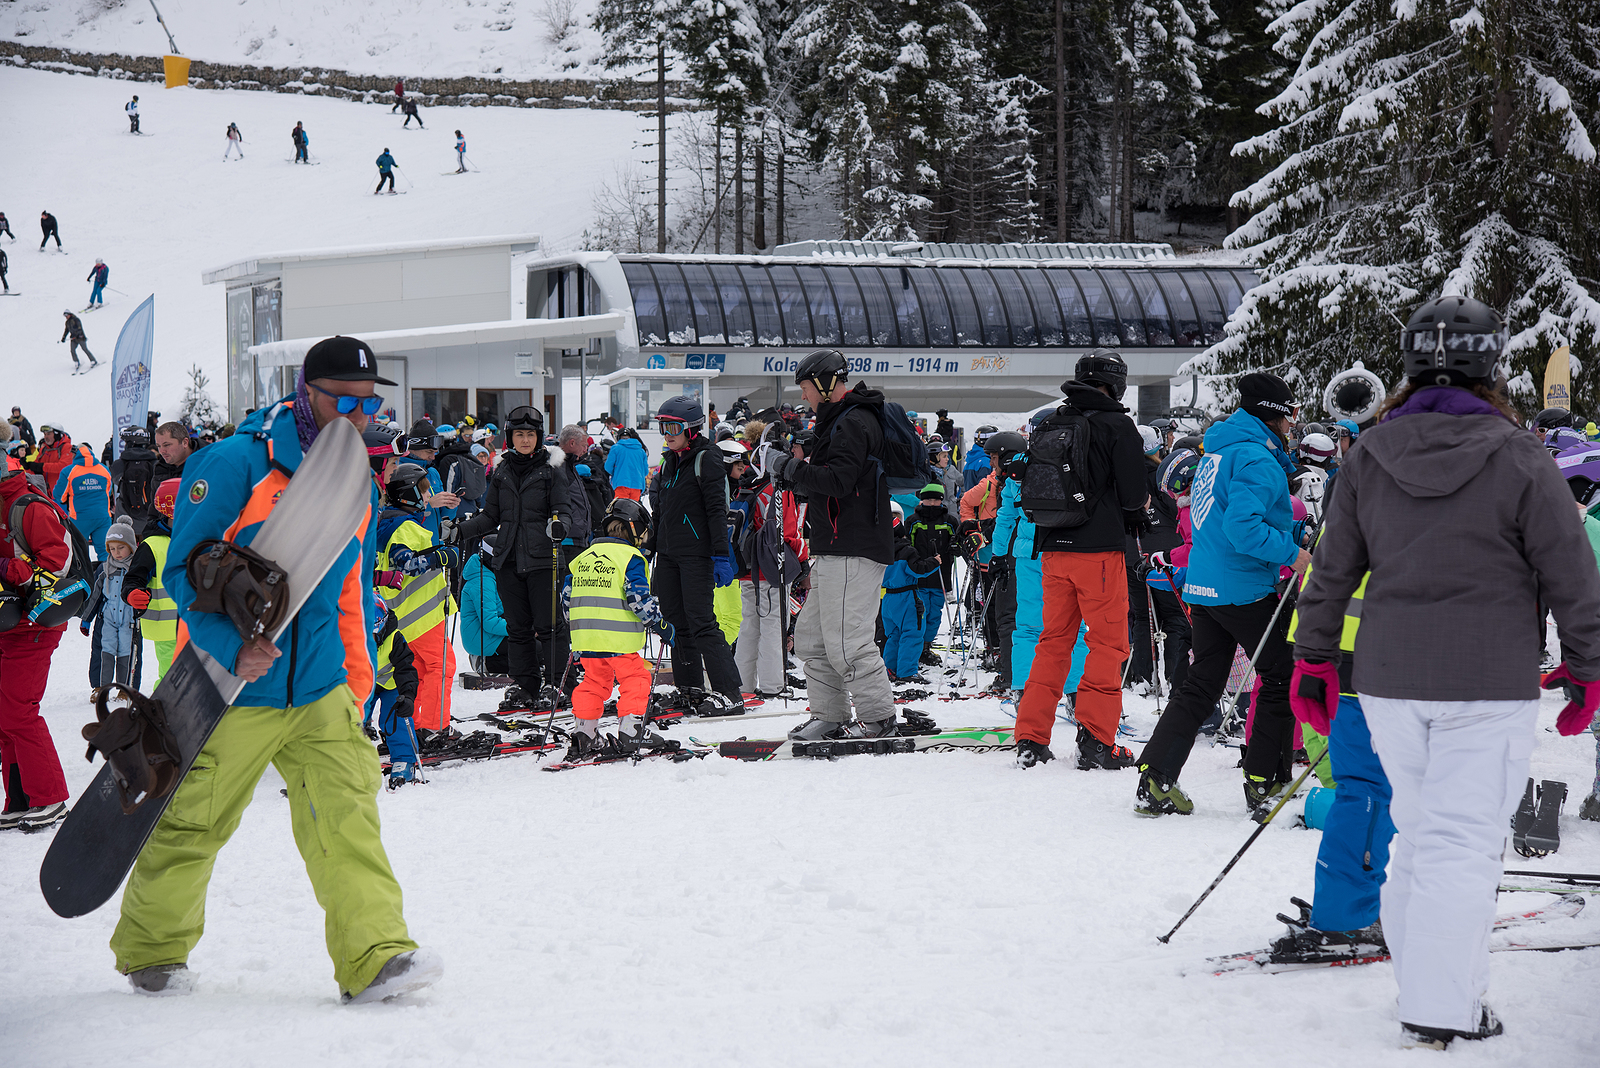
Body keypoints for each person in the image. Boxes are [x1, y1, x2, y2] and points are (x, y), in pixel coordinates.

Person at [1293, 296, 1600, 1048]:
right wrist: (1588, 666)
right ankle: (1440, 1006)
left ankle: (1434, 989)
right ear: (1491, 366)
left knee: (1426, 832)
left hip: (1392, 680)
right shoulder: (1520, 454)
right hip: (1486, 680)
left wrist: (1312, 659)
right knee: (1460, 844)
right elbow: (1572, 572)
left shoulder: (1367, 453)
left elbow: (1331, 570)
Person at [112, 333, 439, 1003]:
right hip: (232, 689)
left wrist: (355, 683)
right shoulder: (233, 465)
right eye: (341, 401)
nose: (355, 416)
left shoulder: (358, 485)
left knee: (347, 817)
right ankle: (152, 951)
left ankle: (375, 955)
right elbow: (182, 570)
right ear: (304, 393)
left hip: (318, 689)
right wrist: (235, 650)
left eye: (367, 403)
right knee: (196, 822)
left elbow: (348, 592)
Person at [1135, 372, 1311, 815]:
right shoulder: (1256, 459)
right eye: (1289, 414)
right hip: (1243, 588)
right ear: (1272, 415)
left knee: (1202, 683)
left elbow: (1221, 518)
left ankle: (1156, 778)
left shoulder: (1219, 452)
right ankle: (1264, 781)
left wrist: (1294, 531)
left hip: (1206, 585)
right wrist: (1294, 552)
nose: (1293, 423)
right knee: (1281, 675)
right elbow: (1242, 528)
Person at [1011, 351, 1148, 770]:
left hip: (1052, 548)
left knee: (1053, 642)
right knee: (1107, 645)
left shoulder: (1052, 421)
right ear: (1116, 384)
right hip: (1099, 553)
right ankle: (1096, 742)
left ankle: (1031, 739)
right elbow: (1132, 496)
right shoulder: (1118, 425)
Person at [760, 349, 898, 739]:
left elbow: (839, 481)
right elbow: (833, 484)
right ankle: (831, 715)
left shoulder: (853, 421)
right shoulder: (838, 421)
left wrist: (787, 468)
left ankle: (878, 717)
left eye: (805, 388)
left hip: (854, 547)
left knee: (847, 641)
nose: (803, 397)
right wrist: (796, 473)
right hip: (834, 546)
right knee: (812, 640)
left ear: (822, 383)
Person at [456, 405, 571, 708]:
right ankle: (525, 686)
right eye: (519, 434)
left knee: (549, 626)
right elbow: (490, 516)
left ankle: (557, 684)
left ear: (538, 437)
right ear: (510, 436)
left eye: (530, 434)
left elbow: (564, 509)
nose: (524, 440)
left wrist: (559, 524)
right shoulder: (502, 470)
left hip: (543, 559)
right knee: (518, 628)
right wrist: (459, 531)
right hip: (508, 561)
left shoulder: (553, 469)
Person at [646, 396, 744, 716]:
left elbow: (717, 510)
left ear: (691, 428)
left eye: (673, 426)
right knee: (676, 623)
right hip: (670, 554)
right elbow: (660, 511)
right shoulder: (668, 461)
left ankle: (729, 693)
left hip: (697, 555)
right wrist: (651, 548)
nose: (667, 433)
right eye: (663, 426)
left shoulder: (707, 458)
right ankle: (689, 688)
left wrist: (720, 555)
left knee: (702, 622)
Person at [560, 498, 676, 760]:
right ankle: (632, 731)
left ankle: (585, 734)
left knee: (592, 683)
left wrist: (579, 628)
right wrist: (659, 623)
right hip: (618, 639)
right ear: (634, 529)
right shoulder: (631, 559)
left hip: (586, 640)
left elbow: (566, 599)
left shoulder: (581, 559)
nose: (644, 540)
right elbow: (638, 599)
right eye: (644, 534)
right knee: (636, 679)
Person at [0, 461, 74, 830]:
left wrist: (6, 568)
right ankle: (20, 799)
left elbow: (56, 566)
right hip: (6, 624)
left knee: (18, 712)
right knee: (4, 716)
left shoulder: (28, 507)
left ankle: (51, 797)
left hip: (35, 624)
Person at [374, 466, 459, 735]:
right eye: (423, 491)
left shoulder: (388, 523)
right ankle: (435, 728)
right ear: (409, 494)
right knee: (442, 667)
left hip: (405, 616)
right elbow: (407, 563)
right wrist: (441, 557)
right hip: (422, 616)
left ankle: (414, 727)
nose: (428, 496)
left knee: (419, 673)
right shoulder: (405, 527)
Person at [735, 423, 806, 697]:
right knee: (773, 626)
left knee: (750, 626)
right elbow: (788, 532)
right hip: (772, 569)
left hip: (748, 568)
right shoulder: (778, 488)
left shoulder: (748, 483)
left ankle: (743, 684)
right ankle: (773, 685)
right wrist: (801, 557)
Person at [1126, 424, 1191, 697]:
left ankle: (1142, 675)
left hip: (1133, 553)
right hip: (1167, 554)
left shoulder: (1124, 476)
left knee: (1142, 616)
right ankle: (1175, 677)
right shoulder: (1165, 474)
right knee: (1174, 617)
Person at [122, 478, 180, 687]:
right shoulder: (152, 545)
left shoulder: (201, 538)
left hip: (201, 624)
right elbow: (133, 578)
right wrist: (133, 593)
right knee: (172, 677)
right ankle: (167, 714)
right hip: (167, 630)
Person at [365, 594, 422, 789]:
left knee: (395, 717)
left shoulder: (394, 638)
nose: (369, 640)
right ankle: (341, 758)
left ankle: (405, 760)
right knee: (350, 717)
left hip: (391, 684)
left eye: (373, 635)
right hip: (363, 685)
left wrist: (407, 696)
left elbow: (406, 669)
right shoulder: (347, 637)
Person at [880, 503, 940, 681]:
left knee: (893, 635)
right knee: (912, 634)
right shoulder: (907, 551)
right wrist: (934, 562)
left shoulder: (880, 552)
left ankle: (890, 669)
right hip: (907, 597)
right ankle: (907, 672)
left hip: (888, 598)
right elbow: (918, 570)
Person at [81, 516, 141, 689]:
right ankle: (100, 687)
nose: (116, 552)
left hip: (130, 621)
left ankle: (127, 688)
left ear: (131, 546)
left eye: (121, 548)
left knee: (128, 654)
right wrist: (87, 618)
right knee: (103, 653)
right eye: (112, 548)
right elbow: (95, 596)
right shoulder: (104, 569)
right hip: (106, 620)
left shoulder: (137, 570)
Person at [907, 484, 956, 666]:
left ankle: (926, 646)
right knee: (920, 613)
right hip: (918, 576)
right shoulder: (913, 521)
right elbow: (907, 548)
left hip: (940, 575)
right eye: (929, 499)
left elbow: (956, 541)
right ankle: (917, 647)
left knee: (935, 614)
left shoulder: (949, 521)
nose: (933, 503)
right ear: (922, 499)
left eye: (936, 499)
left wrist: (956, 547)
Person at [54, 443, 113, 559]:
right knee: (105, 551)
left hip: (79, 518)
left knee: (80, 553)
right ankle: (108, 575)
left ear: (75, 455)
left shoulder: (69, 471)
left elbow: (59, 496)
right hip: (103, 517)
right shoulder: (104, 470)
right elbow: (109, 492)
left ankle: (84, 577)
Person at [462, 535, 509, 676]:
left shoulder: (489, 576)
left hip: (486, 639)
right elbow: (490, 622)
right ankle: (487, 663)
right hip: (481, 641)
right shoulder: (482, 582)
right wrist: (522, 628)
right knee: (530, 647)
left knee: (531, 643)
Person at [111, 425, 161, 535]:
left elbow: (115, 481)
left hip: (125, 518)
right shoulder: (156, 464)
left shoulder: (119, 464)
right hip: (149, 519)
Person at [605, 426, 648, 501]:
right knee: (633, 510)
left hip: (620, 483)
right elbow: (645, 471)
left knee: (621, 509)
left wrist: (617, 472)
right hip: (637, 485)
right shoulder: (641, 451)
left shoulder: (615, 448)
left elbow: (608, 467)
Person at [34, 422, 76, 493]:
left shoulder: (67, 447)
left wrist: (42, 467)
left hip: (61, 494)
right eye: (44, 434)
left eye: (49, 434)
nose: (45, 437)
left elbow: (64, 466)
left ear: (57, 435)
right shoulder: (44, 449)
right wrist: (28, 467)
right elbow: (36, 466)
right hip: (45, 493)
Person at [152, 421, 192, 491]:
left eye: (167, 445)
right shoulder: (160, 468)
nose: (161, 451)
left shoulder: (207, 464)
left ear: (185, 443)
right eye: (158, 446)